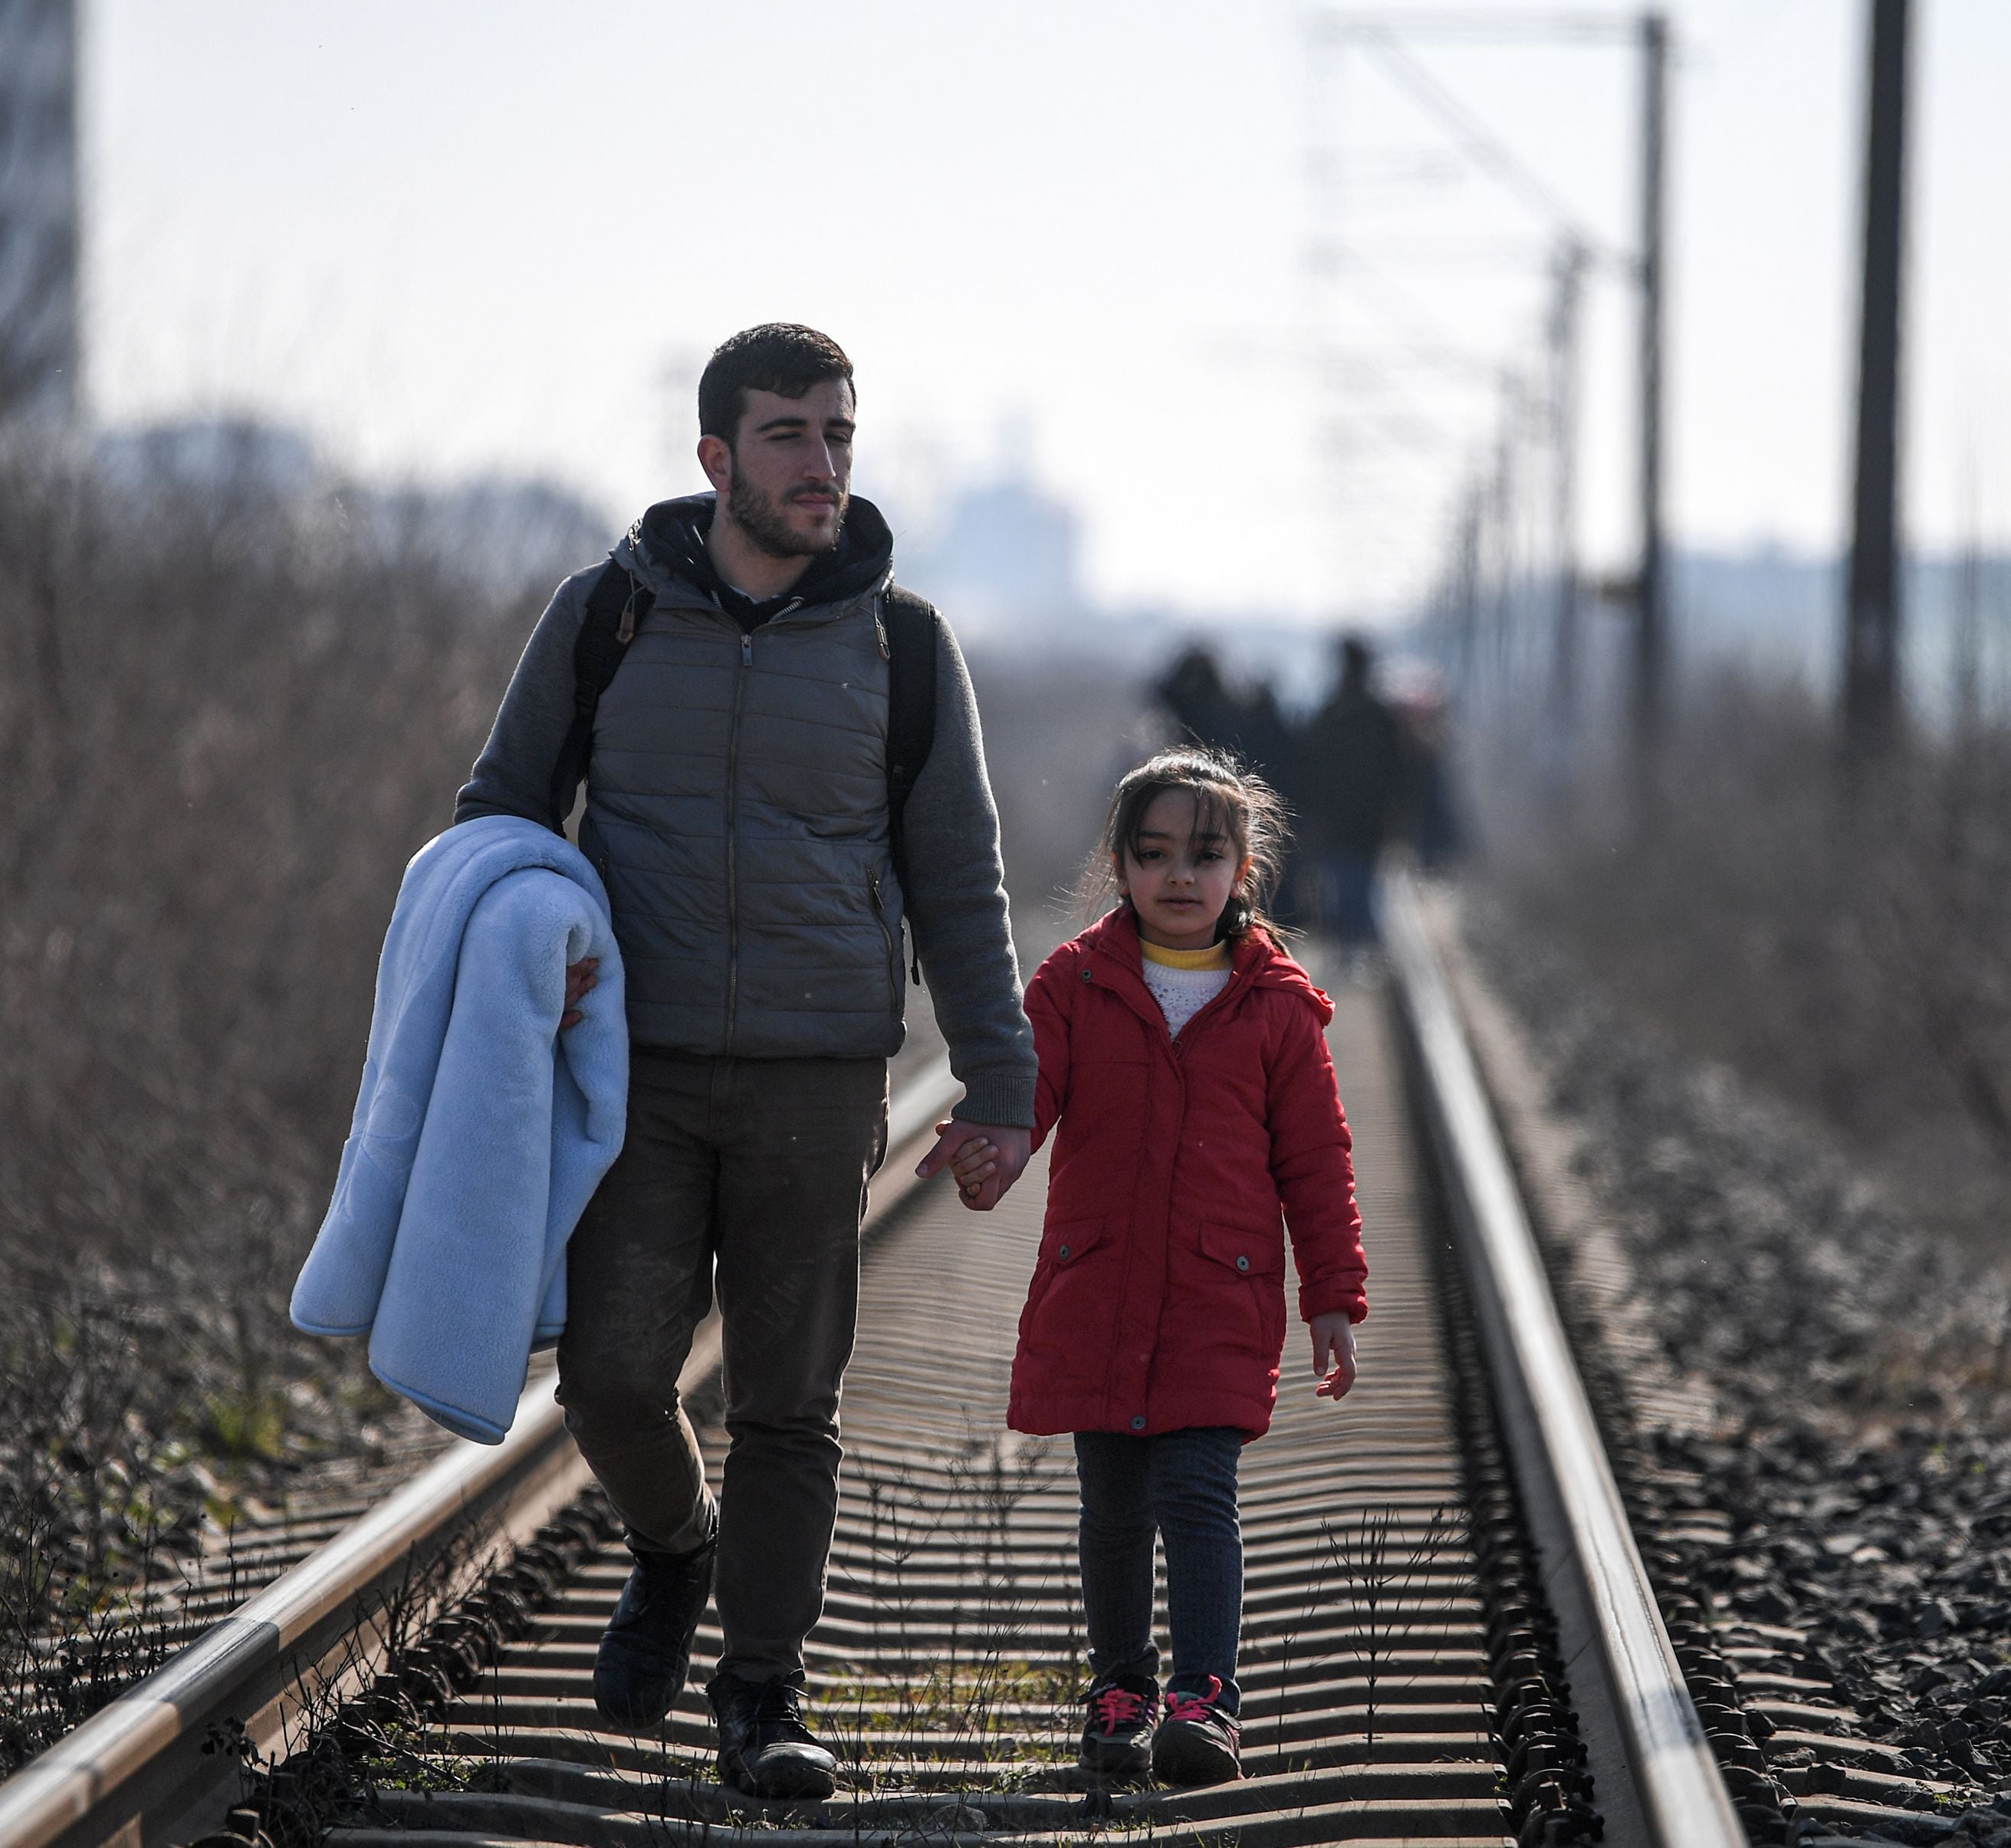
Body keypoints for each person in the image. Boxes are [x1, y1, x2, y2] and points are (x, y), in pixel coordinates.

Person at [454, 324, 1039, 1800]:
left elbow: (958, 878)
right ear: (714, 456)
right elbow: (500, 817)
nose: (821, 462)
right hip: (631, 1072)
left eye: (837, 432)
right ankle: (673, 1546)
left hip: (815, 1073)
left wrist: (1002, 1078)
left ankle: (763, 1693)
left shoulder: (902, 646)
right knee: (606, 1375)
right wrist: (523, 957)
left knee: (788, 1401)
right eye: (787, 434)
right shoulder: (607, 618)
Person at [945, 748, 1369, 1787]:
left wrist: (1333, 1298)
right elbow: (1026, 1093)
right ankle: (1122, 1686)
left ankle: (1206, 1695)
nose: (1180, 875)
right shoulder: (1075, 983)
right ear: (1122, 865)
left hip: (1218, 1300)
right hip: (1098, 1289)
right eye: (1155, 853)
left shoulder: (1277, 1008)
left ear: (1243, 869)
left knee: (1197, 1494)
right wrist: (993, 1148)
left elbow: (1317, 1163)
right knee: (1113, 1507)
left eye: (1205, 854)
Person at [1295, 634, 1417, 952]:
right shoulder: (1376, 716)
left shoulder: (1335, 712)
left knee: (1350, 884)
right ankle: (1356, 949)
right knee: (1353, 884)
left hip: (1351, 820)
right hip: (1359, 820)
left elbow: (1310, 768)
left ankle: (1354, 948)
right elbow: (1401, 773)